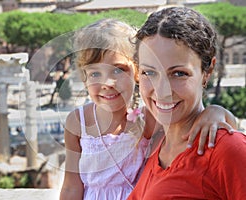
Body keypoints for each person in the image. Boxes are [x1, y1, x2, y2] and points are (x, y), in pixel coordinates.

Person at [60, 18, 237, 200]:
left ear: (137, 72)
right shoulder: (78, 121)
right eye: (95, 73)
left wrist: (216, 111)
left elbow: (195, 123)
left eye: (118, 70)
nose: (106, 83)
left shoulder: (150, 117)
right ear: (84, 78)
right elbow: (71, 186)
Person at [128, 7, 246, 199]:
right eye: (149, 72)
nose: (161, 90)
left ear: (207, 71)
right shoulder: (158, 148)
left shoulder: (228, 149)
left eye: (179, 73)